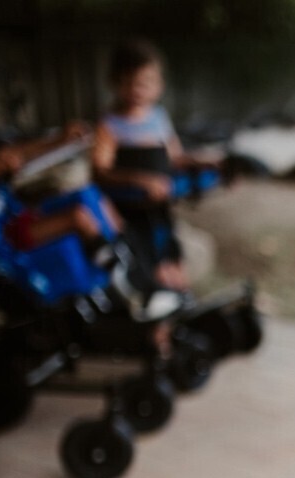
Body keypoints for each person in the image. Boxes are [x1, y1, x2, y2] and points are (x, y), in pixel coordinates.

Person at [92, 38, 215, 291]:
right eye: (130, 83)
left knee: (175, 263)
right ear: (115, 82)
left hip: (160, 213)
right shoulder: (110, 124)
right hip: (129, 216)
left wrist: (205, 164)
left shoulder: (159, 118)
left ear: (159, 85)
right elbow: (100, 172)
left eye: (145, 83)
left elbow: (175, 157)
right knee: (149, 273)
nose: (138, 90)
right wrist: (140, 179)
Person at [0, 115, 118, 254]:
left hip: (16, 215)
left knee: (88, 194)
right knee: (77, 217)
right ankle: (114, 270)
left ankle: (121, 254)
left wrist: (60, 140)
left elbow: (10, 154)